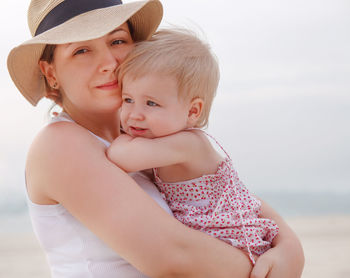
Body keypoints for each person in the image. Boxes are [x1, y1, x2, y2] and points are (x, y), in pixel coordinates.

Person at [7, 0, 304, 277]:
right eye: (82, 50)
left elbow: (226, 193)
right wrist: (262, 264)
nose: (109, 62)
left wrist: (288, 244)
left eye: (117, 41)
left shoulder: (143, 135)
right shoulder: (60, 145)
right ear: (50, 72)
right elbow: (173, 256)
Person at [107, 29, 279, 265]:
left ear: (192, 112)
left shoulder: (187, 144)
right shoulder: (165, 145)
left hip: (232, 245)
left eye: (151, 103)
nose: (134, 115)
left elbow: (121, 156)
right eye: (128, 100)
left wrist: (115, 131)